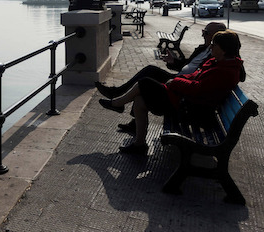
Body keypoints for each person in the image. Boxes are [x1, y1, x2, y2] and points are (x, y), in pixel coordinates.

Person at [99, 30, 244, 155]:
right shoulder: (221, 64)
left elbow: (197, 88)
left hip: (191, 110)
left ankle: (117, 103)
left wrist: (175, 82)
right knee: (140, 98)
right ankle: (139, 144)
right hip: (189, 102)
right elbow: (195, 79)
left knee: (145, 83)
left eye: (214, 45)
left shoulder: (224, 71)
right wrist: (178, 80)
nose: (211, 47)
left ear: (224, 50)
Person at [95, 22, 231, 133]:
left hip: (182, 90)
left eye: (206, 32)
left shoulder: (217, 56)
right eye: (203, 31)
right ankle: (121, 102)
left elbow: (205, 79)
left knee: (145, 84)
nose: (202, 34)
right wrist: (173, 61)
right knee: (150, 70)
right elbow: (187, 64)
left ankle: (118, 100)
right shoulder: (204, 49)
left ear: (217, 37)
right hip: (180, 80)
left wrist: (177, 81)